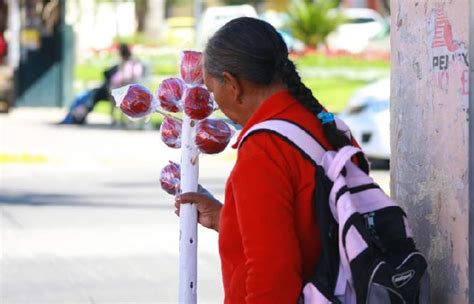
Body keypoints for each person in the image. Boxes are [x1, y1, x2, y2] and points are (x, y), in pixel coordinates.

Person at [174, 17, 365, 303]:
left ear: (232, 84)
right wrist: (228, 219)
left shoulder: (264, 148)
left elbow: (272, 276)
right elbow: (311, 226)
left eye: (214, 91)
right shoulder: (325, 123)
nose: (218, 105)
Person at [60, 43, 144, 125]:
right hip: (114, 90)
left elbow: (128, 78)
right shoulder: (126, 64)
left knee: (92, 95)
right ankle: (76, 116)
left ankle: (76, 116)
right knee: (91, 95)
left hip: (121, 91)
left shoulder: (132, 64)